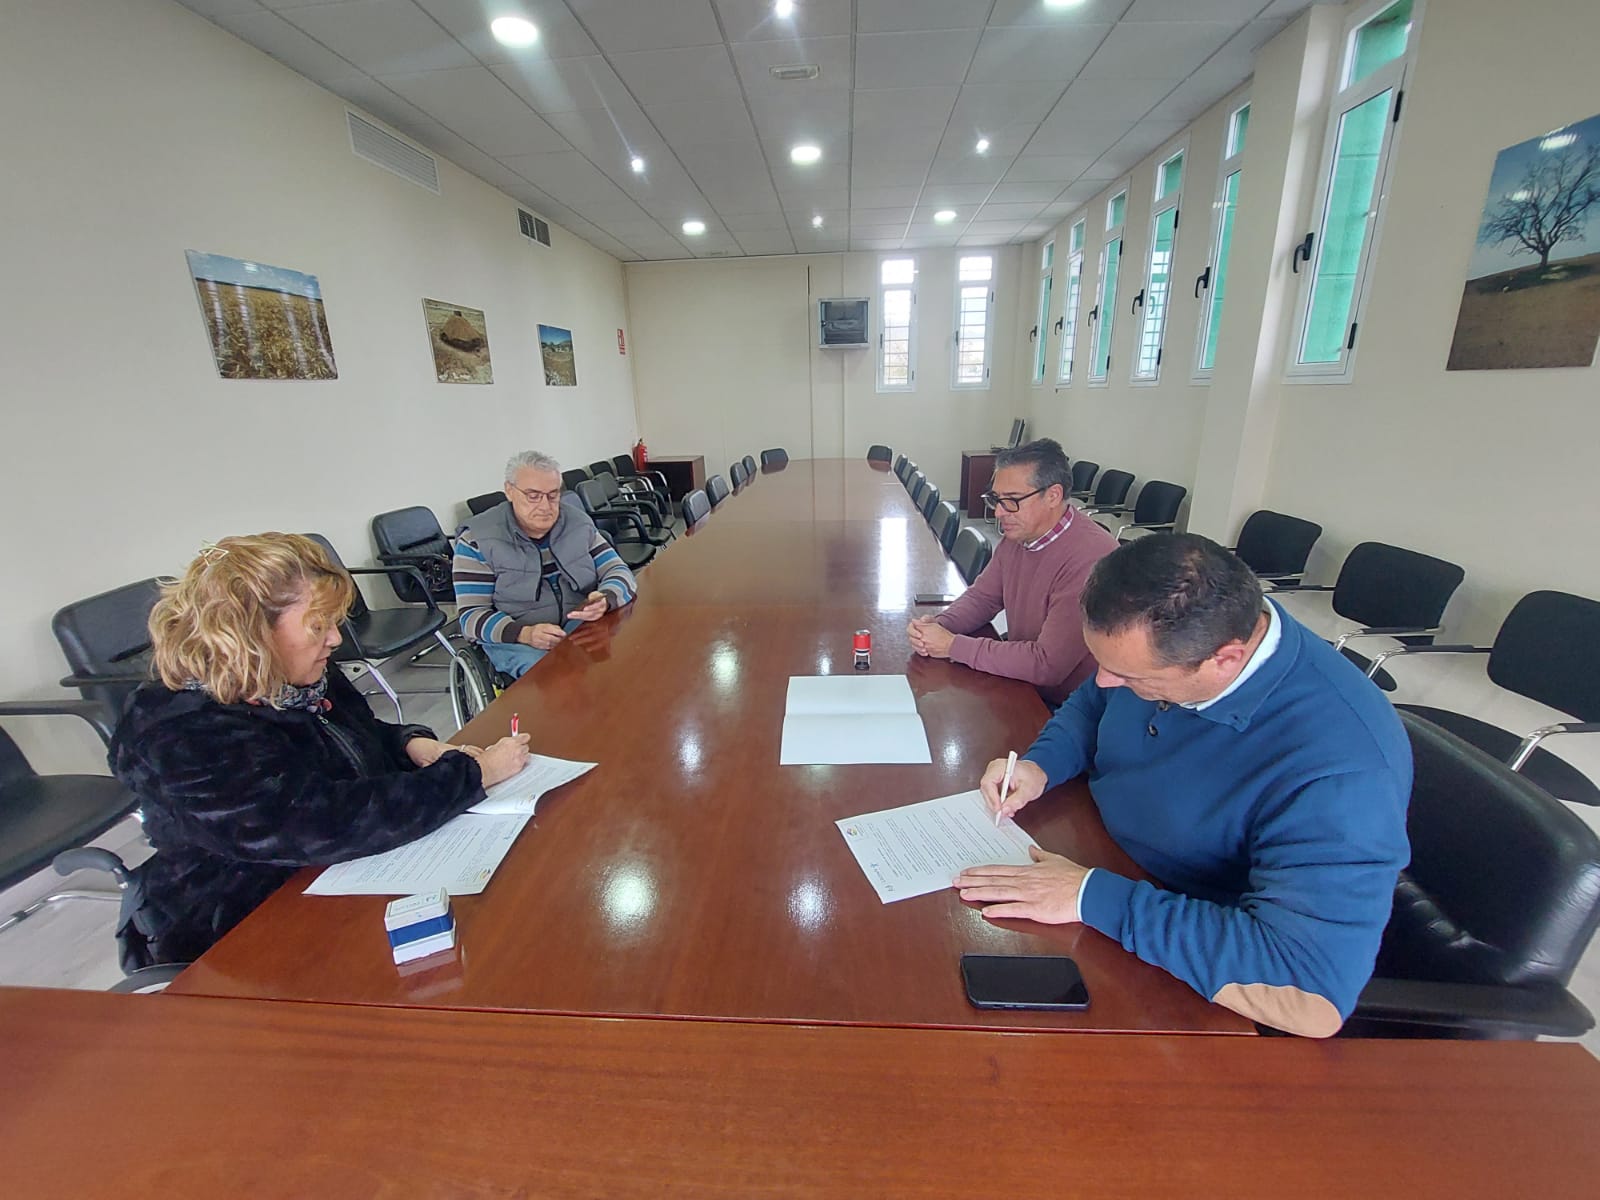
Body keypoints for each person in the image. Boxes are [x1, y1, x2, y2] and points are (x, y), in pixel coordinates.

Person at [954, 533, 1411, 1038]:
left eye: (1130, 676)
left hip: (1175, 944)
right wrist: (1040, 765)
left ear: (1225, 660)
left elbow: (1308, 993)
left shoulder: (1343, 772)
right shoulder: (1188, 640)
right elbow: (1094, 702)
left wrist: (1091, 895)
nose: (1104, 680)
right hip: (1095, 848)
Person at [109, 534, 530, 966]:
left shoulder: (297, 677)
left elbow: (351, 736)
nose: (334, 638)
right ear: (251, 634)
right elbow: (322, 822)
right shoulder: (181, 735)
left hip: (344, 873)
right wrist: (473, 773)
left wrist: (409, 743)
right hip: (241, 925)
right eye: (317, 625)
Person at [908, 438, 1117, 704]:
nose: (999, 512)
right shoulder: (1020, 535)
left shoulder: (1091, 559)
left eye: (1012, 500)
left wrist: (952, 645)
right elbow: (983, 598)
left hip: (1069, 706)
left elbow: (1047, 664)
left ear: (1053, 495)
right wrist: (939, 626)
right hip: (1023, 682)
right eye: (996, 499)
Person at [453, 451, 639, 680]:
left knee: (622, 655)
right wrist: (524, 634)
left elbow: (618, 571)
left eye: (553, 495)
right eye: (533, 496)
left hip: (575, 623)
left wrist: (606, 598)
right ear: (509, 491)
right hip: (516, 638)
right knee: (556, 676)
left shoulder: (578, 523)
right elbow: (471, 616)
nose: (545, 506)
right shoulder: (477, 540)